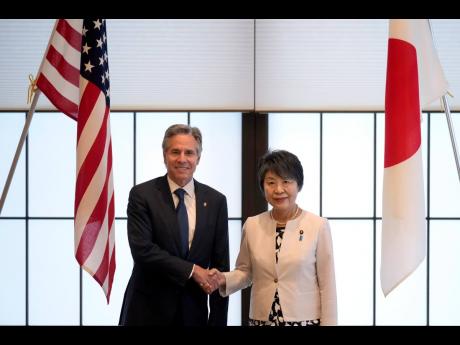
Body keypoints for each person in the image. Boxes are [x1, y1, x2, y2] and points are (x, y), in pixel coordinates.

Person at [209, 149, 337, 326]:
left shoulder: (317, 225)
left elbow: (327, 284)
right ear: (263, 186)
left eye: (286, 181)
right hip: (262, 319)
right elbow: (246, 272)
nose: (278, 189)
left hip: (304, 320)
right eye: (271, 182)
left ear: (298, 184)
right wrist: (223, 279)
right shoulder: (252, 225)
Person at [119, 124, 229, 326]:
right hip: (147, 310)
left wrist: (218, 321)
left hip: (193, 313)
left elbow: (220, 268)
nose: (182, 159)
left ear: (198, 158)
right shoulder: (142, 195)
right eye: (175, 152)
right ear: (164, 155)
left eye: (189, 152)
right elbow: (143, 251)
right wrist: (193, 270)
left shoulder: (216, 201)